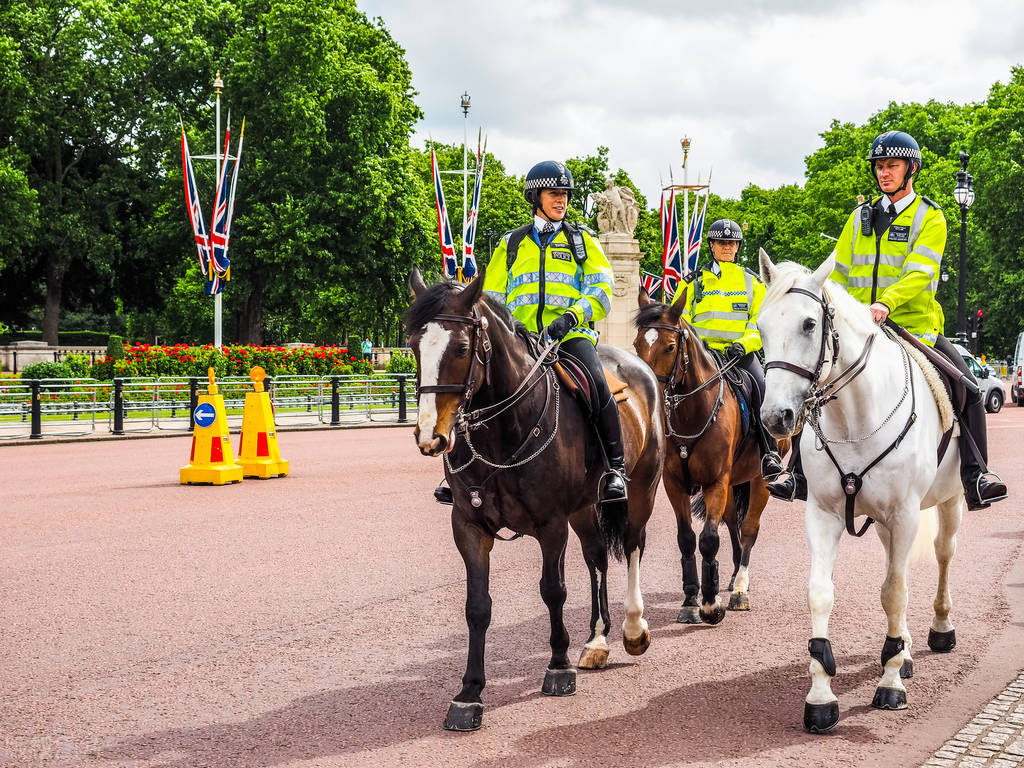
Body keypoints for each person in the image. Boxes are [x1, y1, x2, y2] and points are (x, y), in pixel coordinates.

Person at [767, 130, 1006, 510]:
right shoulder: (859, 217)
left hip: (913, 328)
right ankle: (796, 471)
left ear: (910, 168)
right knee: (813, 378)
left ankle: (976, 475)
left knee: (969, 387)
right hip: (858, 328)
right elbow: (839, 273)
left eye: (892, 165)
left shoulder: (930, 216)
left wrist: (886, 304)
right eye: (879, 166)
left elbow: (921, 273)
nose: (884, 173)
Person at [434, 160, 627, 514]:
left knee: (598, 385)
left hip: (568, 337)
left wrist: (572, 316)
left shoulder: (581, 240)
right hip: (518, 340)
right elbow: (489, 297)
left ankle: (615, 468)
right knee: (473, 387)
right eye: (554, 193)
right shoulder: (512, 243)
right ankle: (457, 472)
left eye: (565, 194)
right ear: (535, 196)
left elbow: (602, 288)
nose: (562, 200)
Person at [671, 218, 785, 481]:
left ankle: (769, 455)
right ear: (711, 246)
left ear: (738, 247)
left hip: (739, 356)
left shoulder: (752, 283)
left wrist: (742, 345)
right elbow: (680, 320)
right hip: (701, 356)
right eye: (721, 242)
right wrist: (698, 347)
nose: (726, 247)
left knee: (762, 389)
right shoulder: (693, 282)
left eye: (731, 243)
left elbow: (760, 322)